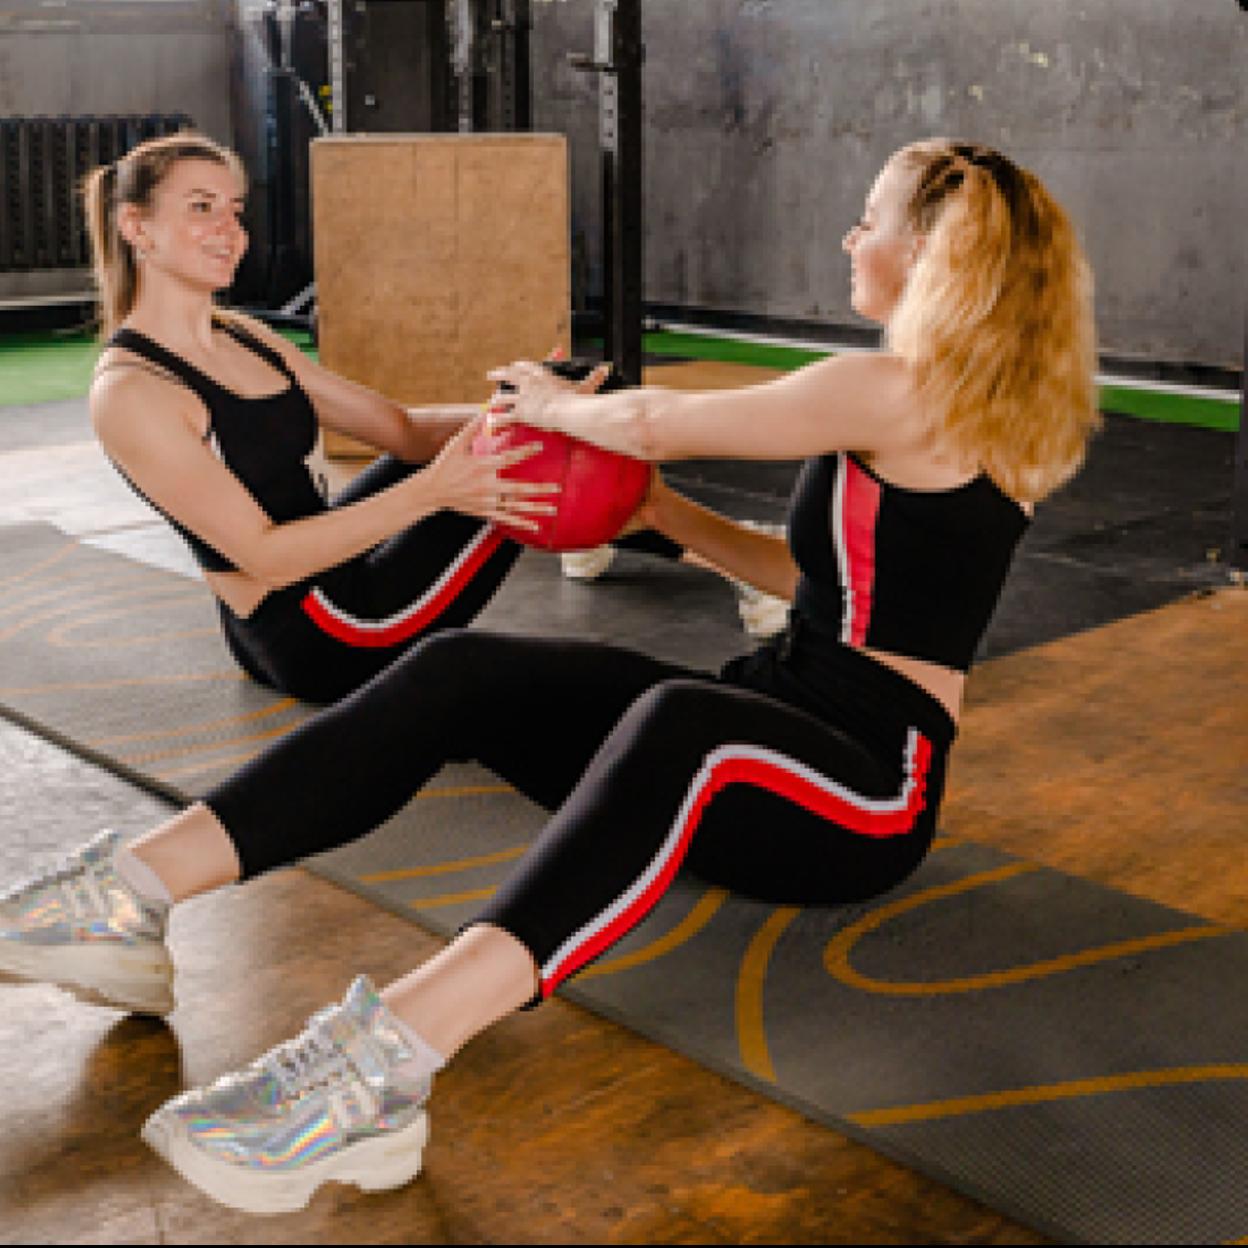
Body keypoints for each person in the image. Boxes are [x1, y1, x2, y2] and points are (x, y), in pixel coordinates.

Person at [1, 138, 1098, 1214]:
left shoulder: (898, 388)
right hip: (773, 714)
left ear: (929, 253)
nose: (850, 235)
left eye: (870, 219)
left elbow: (661, 421)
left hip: (866, 790)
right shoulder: (936, 404)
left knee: (681, 722)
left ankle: (382, 1067)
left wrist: (552, 403)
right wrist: (663, 515)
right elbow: (818, 575)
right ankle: (123, 891)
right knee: (467, 669)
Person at [80, 130, 648, 704]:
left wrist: (531, 404)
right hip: (326, 638)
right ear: (136, 227)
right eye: (201, 208)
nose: (230, 231)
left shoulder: (242, 335)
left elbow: (401, 431)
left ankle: (599, 519)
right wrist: (439, 490)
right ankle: (599, 521)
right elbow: (267, 558)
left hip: (327, 585)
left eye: (234, 211)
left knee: (567, 394)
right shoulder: (133, 393)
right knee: (528, 456)